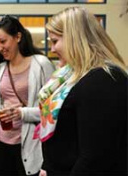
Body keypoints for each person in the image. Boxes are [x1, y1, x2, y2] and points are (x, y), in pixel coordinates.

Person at [34, 7, 127, 176]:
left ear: (74, 39)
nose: (52, 49)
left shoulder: (103, 80)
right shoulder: (73, 75)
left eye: (55, 41)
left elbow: (95, 158)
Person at [0, 15, 55, 176]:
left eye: (3, 41)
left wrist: (21, 113)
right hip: (2, 141)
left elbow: (52, 110)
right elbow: (0, 104)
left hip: (29, 144)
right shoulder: (1, 69)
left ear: (17, 37)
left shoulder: (41, 64)